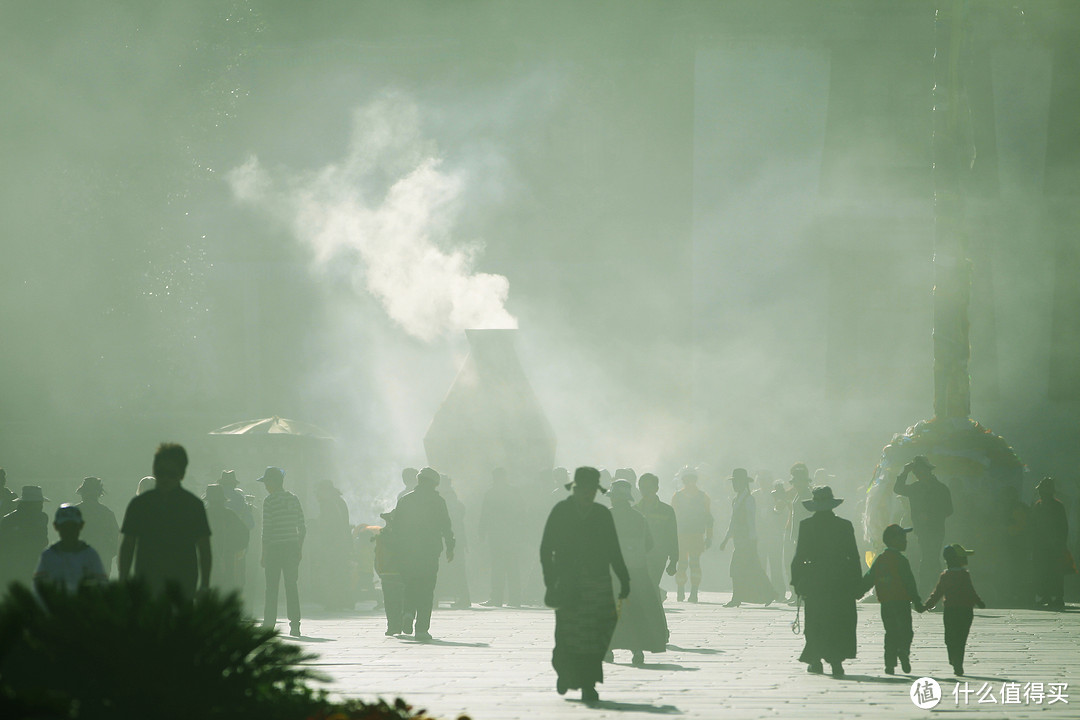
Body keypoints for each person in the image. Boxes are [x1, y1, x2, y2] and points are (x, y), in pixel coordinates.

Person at [540, 467, 630, 703]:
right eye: (584, 491)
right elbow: (546, 548)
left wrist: (624, 577)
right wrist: (550, 581)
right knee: (568, 635)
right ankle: (565, 672)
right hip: (567, 584)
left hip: (598, 582)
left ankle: (588, 684)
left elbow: (613, 549)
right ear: (576, 489)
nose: (588, 495)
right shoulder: (561, 511)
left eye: (592, 491)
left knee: (597, 633)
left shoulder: (602, 514)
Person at [119, 444, 211, 600]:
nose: (165, 478)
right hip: (147, 580)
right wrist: (123, 579)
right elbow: (128, 544)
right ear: (154, 471)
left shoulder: (193, 505)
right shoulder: (139, 505)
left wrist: (205, 585)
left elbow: (204, 547)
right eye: (161, 472)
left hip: (183, 582)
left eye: (171, 474)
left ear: (181, 474)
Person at [790, 486, 861, 677]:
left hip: (815, 580)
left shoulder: (806, 525)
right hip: (840, 580)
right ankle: (836, 661)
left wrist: (796, 581)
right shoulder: (844, 525)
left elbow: (799, 556)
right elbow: (853, 557)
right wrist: (858, 584)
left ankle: (815, 660)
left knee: (815, 620)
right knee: (838, 620)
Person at [606, 479, 667, 666]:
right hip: (636, 572)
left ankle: (608, 649)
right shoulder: (639, 518)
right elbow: (649, 544)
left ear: (614, 498)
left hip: (612, 573)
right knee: (636, 610)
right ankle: (637, 650)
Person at [392, 467, 454, 641]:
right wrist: (450, 546)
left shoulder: (405, 500)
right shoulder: (438, 501)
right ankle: (421, 629)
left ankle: (408, 613)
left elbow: (396, 527)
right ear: (435, 484)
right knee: (426, 589)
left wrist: (398, 550)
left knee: (410, 585)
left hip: (407, 552)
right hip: (429, 552)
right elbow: (446, 526)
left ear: (418, 481)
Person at [859, 524, 925, 675]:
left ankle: (889, 664)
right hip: (902, 602)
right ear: (893, 540)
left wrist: (858, 592)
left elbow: (869, 578)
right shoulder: (902, 561)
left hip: (886, 603)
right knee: (907, 631)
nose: (905, 541)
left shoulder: (880, 559)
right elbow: (910, 583)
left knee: (890, 633)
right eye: (902, 538)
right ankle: (903, 651)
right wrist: (917, 601)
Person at [894, 456, 953, 594]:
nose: (917, 474)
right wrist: (904, 472)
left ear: (927, 470)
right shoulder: (916, 488)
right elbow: (898, 489)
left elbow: (949, 510)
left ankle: (927, 592)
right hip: (922, 530)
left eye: (919, 470)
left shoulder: (940, 488)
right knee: (929, 559)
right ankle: (935, 591)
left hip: (936, 529)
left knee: (929, 559)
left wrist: (931, 516)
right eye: (915, 472)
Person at [924, 544, 986, 676]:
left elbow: (938, 593)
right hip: (965, 611)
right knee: (961, 638)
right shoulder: (964, 575)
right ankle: (958, 662)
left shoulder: (946, 576)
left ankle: (954, 659)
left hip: (950, 611)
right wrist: (979, 602)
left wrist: (927, 605)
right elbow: (971, 591)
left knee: (950, 637)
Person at [258, 466, 306, 637]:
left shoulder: (269, 501)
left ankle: (269, 624)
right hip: (292, 548)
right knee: (291, 586)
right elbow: (302, 527)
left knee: (271, 588)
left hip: (274, 549)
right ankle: (295, 625)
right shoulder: (293, 499)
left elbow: (267, 530)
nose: (265, 486)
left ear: (272, 483)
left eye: (266, 482)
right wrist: (298, 548)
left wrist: (263, 554)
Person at [717, 469, 775, 607]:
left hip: (747, 540)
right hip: (739, 540)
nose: (734, 485)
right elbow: (733, 522)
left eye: (737, 482)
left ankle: (737, 597)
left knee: (739, 568)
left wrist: (752, 539)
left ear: (743, 483)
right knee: (752, 568)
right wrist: (726, 539)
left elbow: (751, 520)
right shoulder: (736, 500)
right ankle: (768, 593)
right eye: (733, 482)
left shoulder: (749, 499)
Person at [33, 504, 107, 594]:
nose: (69, 531)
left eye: (72, 527)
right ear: (56, 526)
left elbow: (102, 588)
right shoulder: (48, 556)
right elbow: (39, 589)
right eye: (65, 527)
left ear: (81, 526)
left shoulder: (90, 555)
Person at [479, 467, 522, 608]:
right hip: (512, 536)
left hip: (496, 536)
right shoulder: (514, 492)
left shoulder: (491, 493)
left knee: (497, 568)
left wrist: (482, 532)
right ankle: (515, 600)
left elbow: (485, 514)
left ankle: (497, 598)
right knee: (513, 568)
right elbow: (521, 513)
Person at [634, 473, 678, 602]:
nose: (645, 491)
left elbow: (672, 536)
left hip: (658, 557)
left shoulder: (667, 511)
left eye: (649, 487)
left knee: (651, 584)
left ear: (656, 488)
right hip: (638, 557)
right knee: (642, 587)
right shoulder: (635, 510)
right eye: (642, 487)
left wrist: (674, 560)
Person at [671, 467, 713, 602]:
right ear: (683, 480)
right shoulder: (677, 496)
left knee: (694, 563)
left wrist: (709, 536)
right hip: (681, 535)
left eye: (692, 479)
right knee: (682, 563)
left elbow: (708, 518)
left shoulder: (703, 497)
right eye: (687, 479)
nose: (689, 482)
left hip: (696, 535)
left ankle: (693, 592)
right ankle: (681, 591)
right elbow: (672, 518)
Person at [0, 485, 51, 591]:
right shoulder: (9, 521)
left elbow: (43, 541)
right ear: (29, 504)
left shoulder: (41, 518)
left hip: (33, 566)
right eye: (38, 503)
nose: (41, 505)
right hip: (14, 567)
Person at [1030, 477, 1070, 609]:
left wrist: (1059, 543)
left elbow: (1063, 527)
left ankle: (1057, 596)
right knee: (1041, 571)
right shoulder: (1037, 506)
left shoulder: (1057, 506)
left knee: (1055, 572)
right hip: (1040, 546)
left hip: (1054, 545)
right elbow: (1034, 526)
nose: (1042, 493)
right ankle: (1044, 595)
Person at [204, 484, 249, 592]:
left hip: (206, 559)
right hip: (227, 559)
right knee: (226, 590)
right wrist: (238, 549)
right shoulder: (230, 515)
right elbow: (245, 533)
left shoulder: (202, 515)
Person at [73, 476, 120, 576]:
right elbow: (117, 538)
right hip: (102, 558)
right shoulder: (107, 513)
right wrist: (109, 553)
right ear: (98, 494)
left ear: (83, 493)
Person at [437, 475, 471, 609]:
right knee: (458, 570)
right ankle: (464, 598)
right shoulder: (455, 500)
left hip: (448, 539)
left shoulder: (445, 499)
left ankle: (436, 599)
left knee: (444, 569)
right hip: (456, 538)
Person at [784, 463, 814, 605]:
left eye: (798, 481)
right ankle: (800, 594)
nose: (796, 484)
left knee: (802, 567)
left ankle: (803, 595)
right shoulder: (798, 494)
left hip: (805, 537)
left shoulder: (808, 495)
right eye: (794, 481)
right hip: (798, 536)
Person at [374, 510, 406, 635]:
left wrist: (378, 569)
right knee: (400, 600)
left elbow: (377, 555)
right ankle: (399, 622)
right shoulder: (404, 536)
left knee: (390, 601)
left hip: (386, 572)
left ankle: (392, 625)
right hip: (400, 572)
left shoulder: (382, 536)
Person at [761, 480, 790, 600]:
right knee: (762, 564)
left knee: (776, 565)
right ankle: (764, 591)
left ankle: (778, 592)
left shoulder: (783, 498)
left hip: (775, 536)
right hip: (763, 535)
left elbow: (781, 516)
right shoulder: (757, 495)